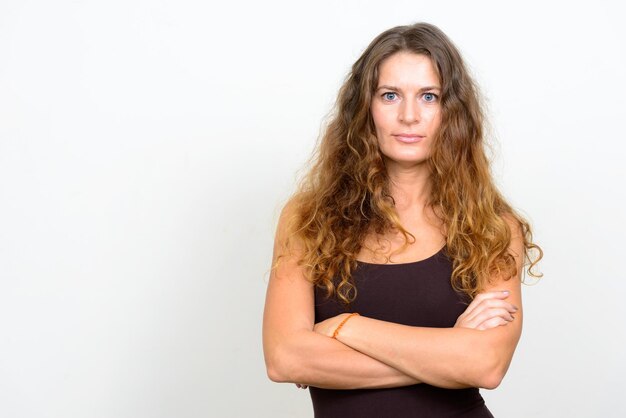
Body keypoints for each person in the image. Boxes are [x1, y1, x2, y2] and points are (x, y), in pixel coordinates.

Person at [262, 22, 542, 418]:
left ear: (452, 111)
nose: (409, 116)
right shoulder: (308, 218)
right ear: (365, 108)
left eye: (429, 96)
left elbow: (485, 365)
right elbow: (285, 358)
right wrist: (449, 351)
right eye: (390, 95)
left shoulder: (492, 226)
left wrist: (346, 327)